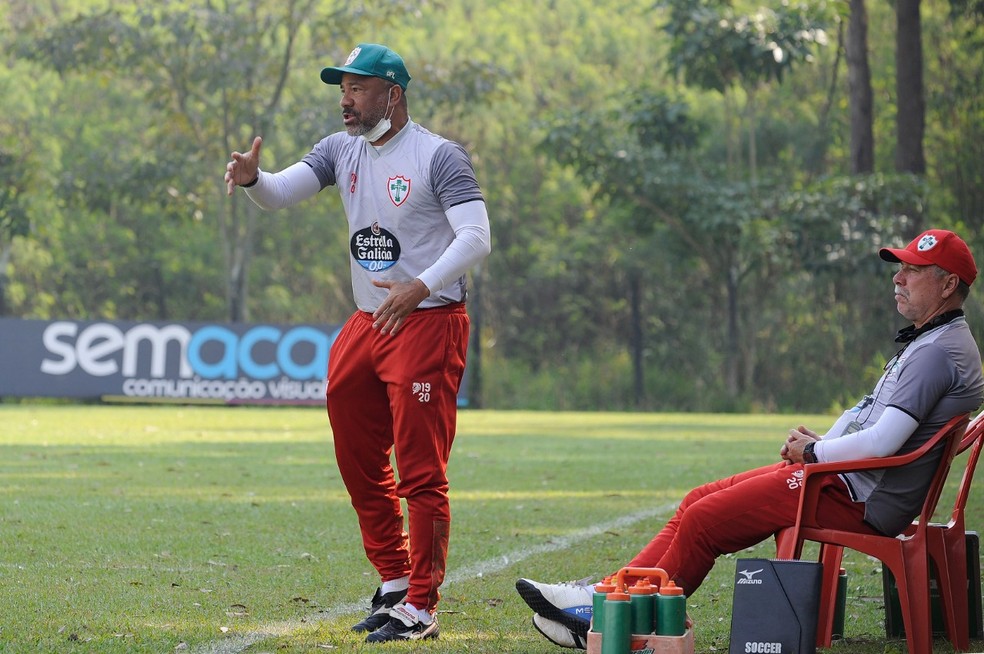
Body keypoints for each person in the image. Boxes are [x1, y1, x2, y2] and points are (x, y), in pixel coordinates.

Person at [516, 229, 984, 649]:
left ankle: (611, 617)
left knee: (703, 521)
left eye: (914, 270)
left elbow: (883, 443)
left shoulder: (936, 353)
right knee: (697, 499)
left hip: (856, 497)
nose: (899, 278)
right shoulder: (933, 342)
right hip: (846, 480)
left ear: (947, 286)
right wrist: (820, 444)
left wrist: (816, 452)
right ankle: (604, 594)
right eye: (899, 268)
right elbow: (874, 424)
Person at [224, 43, 491, 643]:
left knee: (420, 473)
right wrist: (252, 180)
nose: (345, 100)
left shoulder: (439, 156)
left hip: (427, 323)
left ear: (392, 95)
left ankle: (422, 605)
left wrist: (418, 288)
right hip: (368, 322)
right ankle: (394, 581)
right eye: (342, 89)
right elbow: (281, 192)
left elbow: (476, 238)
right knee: (357, 460)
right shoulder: (340, 149)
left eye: (358, 88)